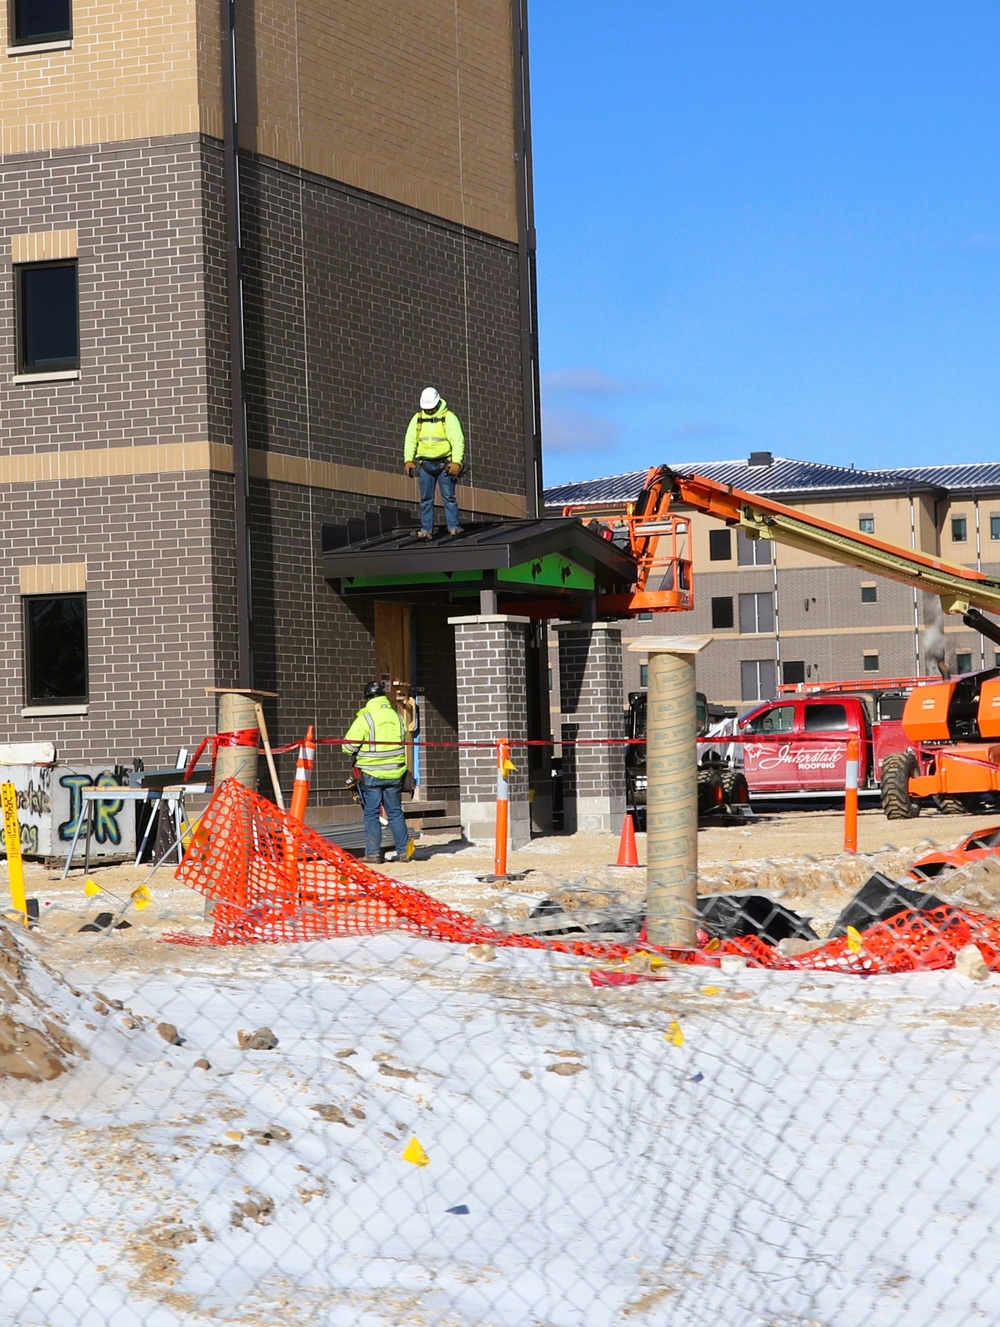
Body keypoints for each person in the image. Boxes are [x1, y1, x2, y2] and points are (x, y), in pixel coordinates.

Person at [342, 682, 416, 865]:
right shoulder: (398, 717)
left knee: (372, 813)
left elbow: (348, 746)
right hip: (394, 774)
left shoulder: (365, 718)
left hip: (372, 774)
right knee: (396, 812)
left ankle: (374, 854)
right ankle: (404, 853)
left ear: (367, 698)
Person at [403, 387, 466, 539]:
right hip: (425, 464)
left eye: (431, 408)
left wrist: (457, 462)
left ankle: (453, 526)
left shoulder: (448, 418)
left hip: (444, 464)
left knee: (449, 497)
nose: (429, 411)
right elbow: (410, 441)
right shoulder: (417, 419)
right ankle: (426, 529)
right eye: (427, 408)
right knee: (425, 499)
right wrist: (408, 461)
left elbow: (458, 441)